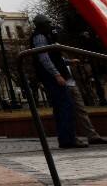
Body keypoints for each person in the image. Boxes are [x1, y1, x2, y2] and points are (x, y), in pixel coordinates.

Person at [30, 15, 84, 149]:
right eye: (48, 23)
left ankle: (67, 138)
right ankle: (67, 139)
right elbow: (44, 58)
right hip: (52, 77)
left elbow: (53, 58)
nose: (50, 25)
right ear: (42, 24)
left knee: (63, 106)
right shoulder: (40, 36)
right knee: (65, 106)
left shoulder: (46, 36)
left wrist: (68, 62)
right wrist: (57, 74)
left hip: (53, 75)